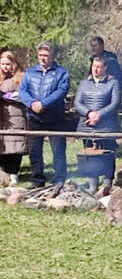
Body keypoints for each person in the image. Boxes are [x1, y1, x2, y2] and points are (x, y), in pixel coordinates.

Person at [18, 42, 71, 188]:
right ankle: (37, 180)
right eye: (40, 55)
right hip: (34, 118)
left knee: (58, 151)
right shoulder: (30, 72)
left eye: (46, 56)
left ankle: (59, 180)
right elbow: (22, 91)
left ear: (52, 57)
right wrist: (32, 104)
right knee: (35, 151)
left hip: (55, 118)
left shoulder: (62, 73)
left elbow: (61, 92)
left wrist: (43, 104)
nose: (43, 58)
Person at [74, 55, 122, 195]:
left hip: (106, 125)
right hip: (87, 125)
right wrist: (89, 113)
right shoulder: (84, 83)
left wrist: (99, 115)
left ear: (105, 68)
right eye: (94, 66)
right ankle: (92, 185)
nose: (95, 69)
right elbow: (77, 102)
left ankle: (107, 185)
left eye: (99, 67)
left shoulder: (113, 83)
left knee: (108, 155)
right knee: (90, 155)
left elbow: (115, 103)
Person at [0, 50, 28, 177]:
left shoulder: (20, 77)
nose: (5, 67)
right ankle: (4, 173)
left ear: (13, 64)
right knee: (3, 145)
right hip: (2, 116)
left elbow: (23, 95)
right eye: (3, 64)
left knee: (15, 144)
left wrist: (5, 96)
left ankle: (14, 173)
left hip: (15, 114)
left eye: (8, 64)